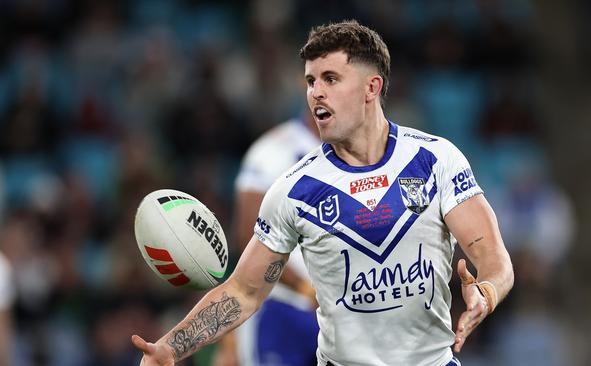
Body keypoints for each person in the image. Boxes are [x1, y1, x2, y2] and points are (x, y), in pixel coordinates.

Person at [133, 20, 514, 366]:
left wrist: (487, 291)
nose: (316, 93)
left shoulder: (435, 159)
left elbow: (494, 258)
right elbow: (245, 291)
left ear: (372, 87)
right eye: (311, 81)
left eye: (330, 79)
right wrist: (171, 346)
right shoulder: (292, 190)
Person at [214, 114, 321, 366]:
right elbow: (248, 235)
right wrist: (305, 288)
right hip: (283, 307)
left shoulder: (367, 151)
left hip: (346, 308)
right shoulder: (273, 150)